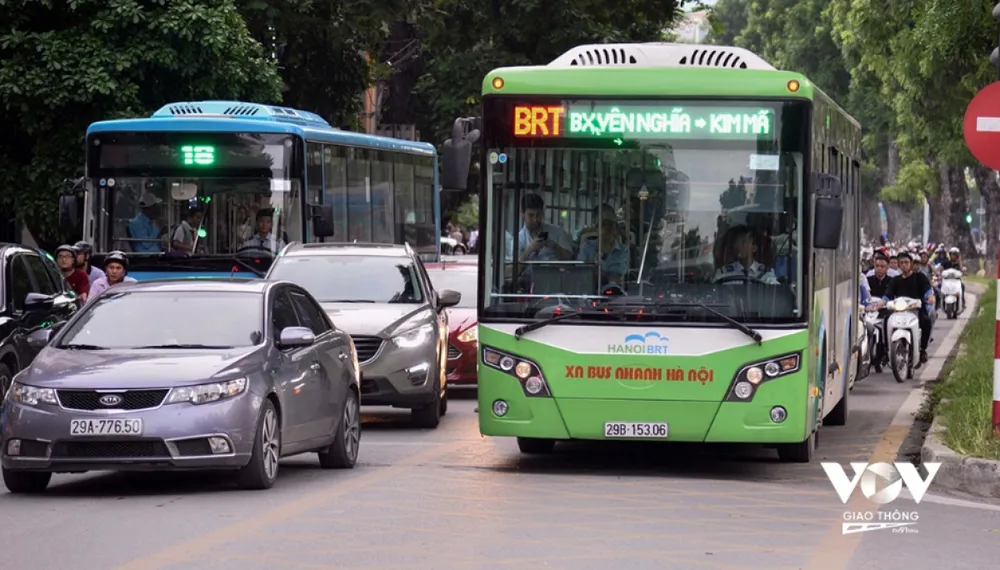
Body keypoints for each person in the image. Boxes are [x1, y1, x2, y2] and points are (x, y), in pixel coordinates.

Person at [882, 251, 935, 365]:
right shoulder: (895, 280)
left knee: (926, 321)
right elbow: (888, 295)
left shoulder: (920, 277)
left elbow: (927, 290)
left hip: (916, 309)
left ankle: (922, 350)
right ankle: (887, 351)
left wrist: (930, 297)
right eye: (901, 263)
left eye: (906, 262)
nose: (904, 265)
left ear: (911, 264)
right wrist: (881, 303)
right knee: (886, 321)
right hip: (899, 310)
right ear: (899, 265)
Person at [577, 207, 630, 287]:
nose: (607, 229)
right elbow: (581, 272)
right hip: (589, 288)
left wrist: (597, 274)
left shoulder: (623, 250)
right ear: (597, 229)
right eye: (603, 225)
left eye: (610, 226)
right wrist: (608, 277)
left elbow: (619, 274)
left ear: (615, 230)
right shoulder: (587, 247)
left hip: (614, 290)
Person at [516, 194, 574, 262]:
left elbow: (570, 259)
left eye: (538, 215)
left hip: (554, 272)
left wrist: (555, 247)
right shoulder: (519, 239)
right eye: (531, 215)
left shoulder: (557, 231)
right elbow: (513, 269)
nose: (535, 219)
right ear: (522, 214)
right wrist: (530, 250)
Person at [713, 225, 779, 284]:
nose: (739, 246)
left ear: (754, 248)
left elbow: (775, 291)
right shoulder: (724, 273)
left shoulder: (765, 272)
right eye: (737, 243)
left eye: (744, 243)